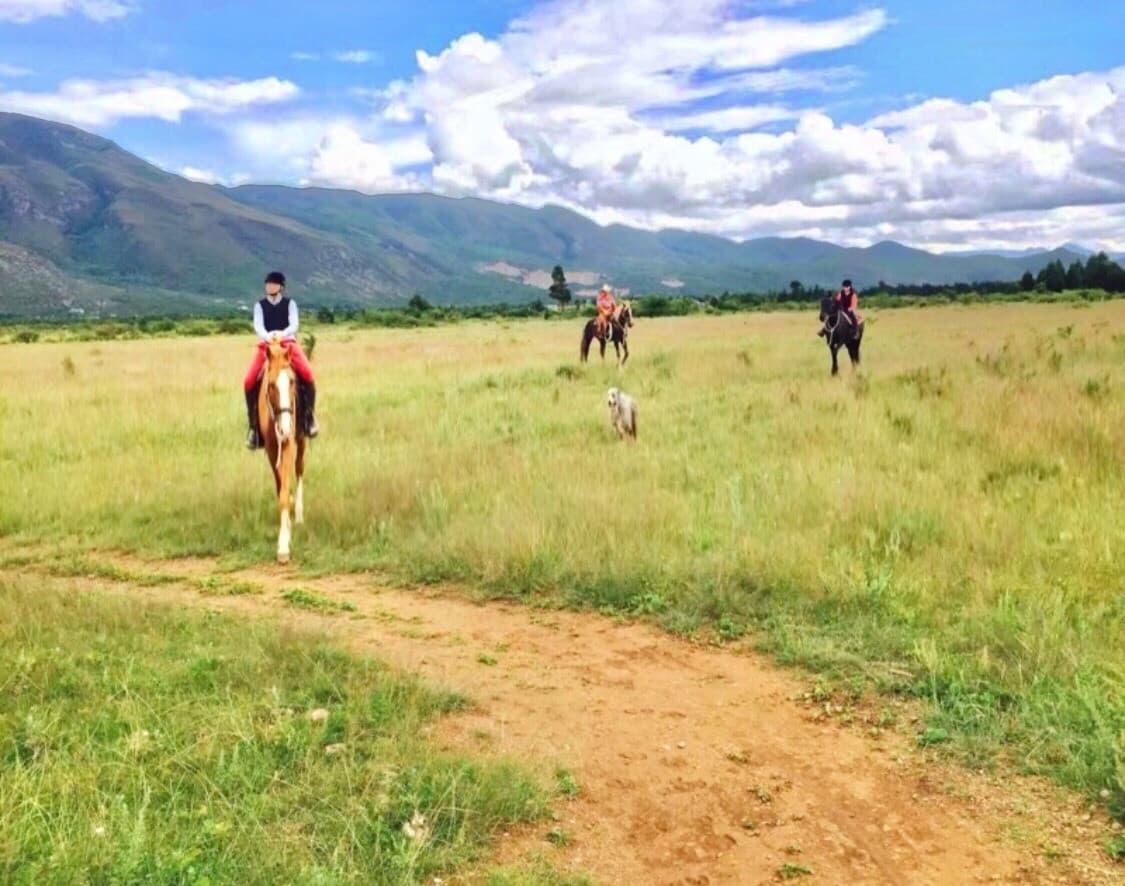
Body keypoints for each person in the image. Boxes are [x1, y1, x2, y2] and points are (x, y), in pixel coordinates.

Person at [242, 271, 319, 448]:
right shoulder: (259, 306)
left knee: (307, 374)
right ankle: (254, 428)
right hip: (266, 347)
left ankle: (309, 418)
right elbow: (258, 326)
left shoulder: (290, 304)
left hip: (288, 345)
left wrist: (281, 334)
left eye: (273, 284)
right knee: (248, 382)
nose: (269, 286)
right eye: (267, 284)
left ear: (280, 287)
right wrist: (269, 336)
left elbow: (294, 324)